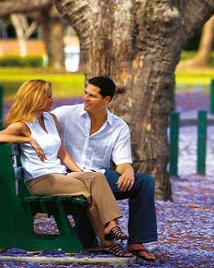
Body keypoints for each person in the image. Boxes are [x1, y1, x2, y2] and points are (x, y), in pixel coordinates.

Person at [0, 79, 133, 258]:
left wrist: (79, 172)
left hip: (59, 176)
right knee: (87, 193)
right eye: (47, 97)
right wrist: (28, 140)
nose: (52, 100)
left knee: (96, 177)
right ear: (35, 98)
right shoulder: (23, 125)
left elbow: (62, 152)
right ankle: (110, 240)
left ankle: (111, 225)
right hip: (40, 180)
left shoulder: (51, 119)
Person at [52, 76, 158, 262]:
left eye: (92, 96)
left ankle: (136, 242)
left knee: (143, 182)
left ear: (106, 100)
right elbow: (37, 124)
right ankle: (105, 230)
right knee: (84, 240)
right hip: (67, 177)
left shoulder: (118, 127)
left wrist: (128, 170)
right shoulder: (64, 114)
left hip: (98, 178)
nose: (86, 98)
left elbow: (123, 161)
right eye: (85, 93)